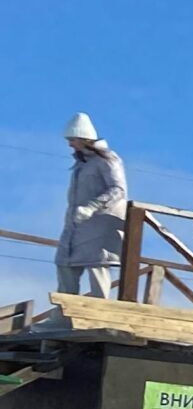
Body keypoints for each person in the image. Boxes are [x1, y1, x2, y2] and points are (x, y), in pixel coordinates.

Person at [56, 113, 127, 298]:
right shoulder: (81, 164)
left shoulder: (107, 160)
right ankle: (64, 312)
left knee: (97, 265)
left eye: (72, 139)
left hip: (100, 225)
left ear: (83, 138)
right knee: (64, 263)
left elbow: (118, 189)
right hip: (76, 226)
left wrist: (92, 206)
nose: (70, 144)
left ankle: (99, 312)